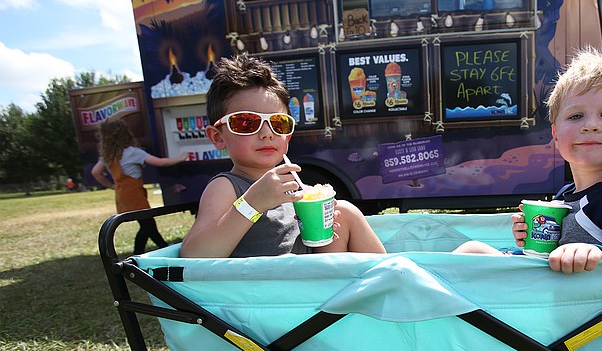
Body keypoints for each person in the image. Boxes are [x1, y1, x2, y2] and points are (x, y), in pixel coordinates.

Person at [455, 47, 602, 273]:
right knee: (470, 251)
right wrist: (530, 237)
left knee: (471, 252)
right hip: (547, 288)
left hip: (578, 301)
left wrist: (599, 254)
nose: (590, 125)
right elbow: (554, 250)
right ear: (555, 135)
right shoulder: (565, 195)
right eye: (575, 116)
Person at [179, 54, 385, 258]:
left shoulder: (291, 183)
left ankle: (390, 276)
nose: (267, 133)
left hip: (305, 272)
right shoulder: (226, 187)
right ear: (218, 137)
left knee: (346, 212)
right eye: (246, 123)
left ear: (288, 135)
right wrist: (252, 204)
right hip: (271, 285)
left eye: (279, 123)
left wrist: (323, 219)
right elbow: (193, 254)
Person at [91, 119, 188, 255]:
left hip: (121, 194)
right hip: (134, 193)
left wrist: (111, 186)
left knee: (147, 224)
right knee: (147, 224)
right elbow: (159, 162)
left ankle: (163, 246)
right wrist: (180, 159)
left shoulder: (109, 155)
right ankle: (138, 254)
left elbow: (96, 172)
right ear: (125, 134)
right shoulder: (132, 152)